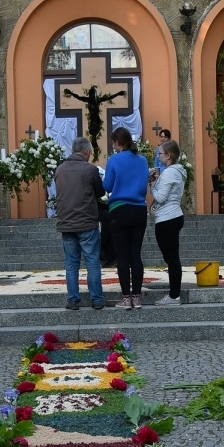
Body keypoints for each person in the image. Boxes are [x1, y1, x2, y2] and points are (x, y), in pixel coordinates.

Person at [53, 137, 106, 310]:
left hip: (66, 223)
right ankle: (96, 300)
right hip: (87, 223)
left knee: (71, 264)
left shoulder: (60, 170)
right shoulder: (90, 169)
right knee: (92, 262)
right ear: (87, 152)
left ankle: (73, 300)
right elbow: (100, 192)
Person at [103, 126, 149, 309]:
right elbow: (144, 185)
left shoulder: (114, 159)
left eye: (114, 143)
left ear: (117, 142)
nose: (114, 147)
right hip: (139, 210)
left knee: (122, 256)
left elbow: (107, 186)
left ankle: (125, 299)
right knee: (135, 254)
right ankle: (137, 298)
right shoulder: (143, 160)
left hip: (119, 209)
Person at [150, 139, 186, 305]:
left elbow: (161, 197)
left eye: (161, 153)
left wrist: (152, 186)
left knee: (171, 258)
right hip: (172, 216)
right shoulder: (177, 171)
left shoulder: (170, 172)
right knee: (172, 258)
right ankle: (174, 294)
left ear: (169, 156)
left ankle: (174, 296)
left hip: (167, 218)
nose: (158, 156)